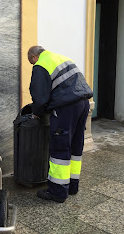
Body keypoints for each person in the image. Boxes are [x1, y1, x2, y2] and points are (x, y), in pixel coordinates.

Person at [28, 46, 93, 203]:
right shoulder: (60, 58)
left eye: (31, 62)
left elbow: (40, 96)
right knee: (75, 145)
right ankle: (72, 186)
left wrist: (37, 112)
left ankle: (57, 192)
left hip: (66, 108)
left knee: (60, 146)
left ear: (34, 57)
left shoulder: (41, 65)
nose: (32, 65)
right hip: (83, 104)